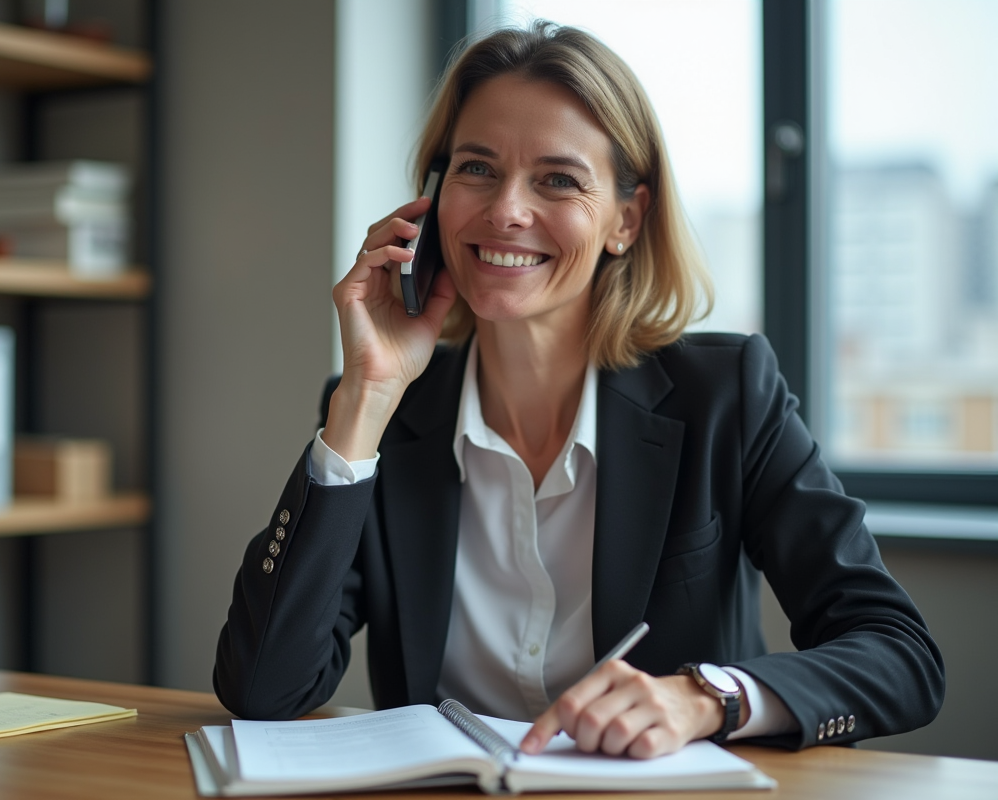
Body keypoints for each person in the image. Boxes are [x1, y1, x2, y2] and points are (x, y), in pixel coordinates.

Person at [214, 21, 943, 758]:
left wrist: (706, 697)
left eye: (557, 179)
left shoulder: (727, 395)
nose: (506, 211)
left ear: (625, 220)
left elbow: (900, 655)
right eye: (476, 168)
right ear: (432, 200)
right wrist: (365, 398)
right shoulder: (380, 417)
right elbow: (264, 690)